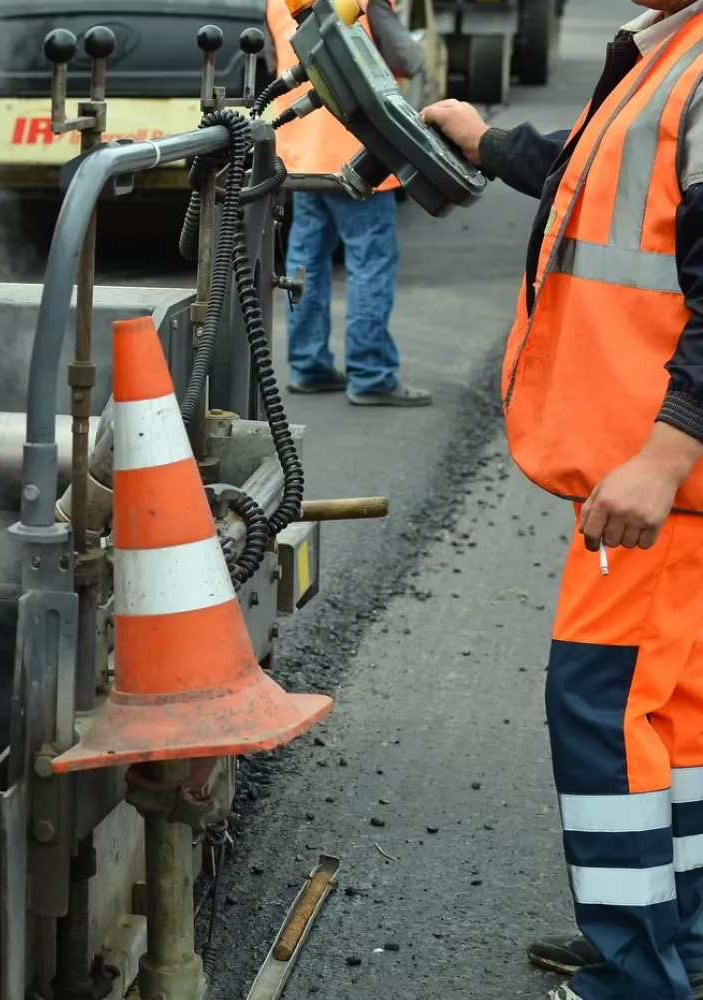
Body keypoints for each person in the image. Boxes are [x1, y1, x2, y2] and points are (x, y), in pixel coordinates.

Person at [423, 0, 703, 994]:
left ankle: (635, 975)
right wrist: (489, 142)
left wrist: (665, 455)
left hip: (661, 482)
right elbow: (606, 188)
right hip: (676, 491)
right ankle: (672, 941)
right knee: (675, 722)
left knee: (602, 706)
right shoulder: (668, 51)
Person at [266, 0, 432, 405]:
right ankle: (371, 374)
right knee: (369, 260)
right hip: (360, 152)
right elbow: (405, 58)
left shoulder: (277, 2)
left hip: (303, 152)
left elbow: (272, 61)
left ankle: (307, 365)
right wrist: (421, 48)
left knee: (306, 258)